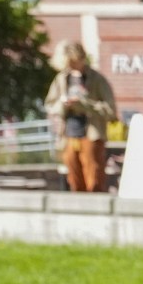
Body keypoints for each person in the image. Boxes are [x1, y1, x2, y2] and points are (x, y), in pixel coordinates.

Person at [43, 42, 117, 194]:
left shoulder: (96, 79)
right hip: (69, 135)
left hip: (91, 135)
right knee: (74, 181)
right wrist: (64, 104)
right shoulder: (62, 79)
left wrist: (84, 105)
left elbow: (111, 111)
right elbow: (50, 105)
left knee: (94, 180)